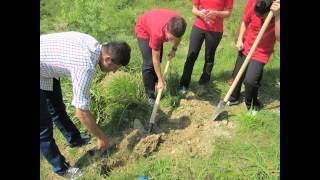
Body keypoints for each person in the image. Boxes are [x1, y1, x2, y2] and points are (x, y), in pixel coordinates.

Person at [40, 31, 131, 178]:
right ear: (107, 59)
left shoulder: (93, 44)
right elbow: (81, 111)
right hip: (42, 64)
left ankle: (74, 139)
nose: (114, 72)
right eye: (115, 67)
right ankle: (61, 169)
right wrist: (101, 137)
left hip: (45, 66)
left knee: (57, 108)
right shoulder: (85, 65)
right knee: (43, 128)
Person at [227, 0, 280, 115]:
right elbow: (245, 22)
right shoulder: (254, 6)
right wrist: (240, 39)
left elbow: (279, 37)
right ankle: (233, 97)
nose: (258, 17)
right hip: (247, 46)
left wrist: (277, 17)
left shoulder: (276, 14)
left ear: (268, 12)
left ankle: (252, 104)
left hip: (262, 52)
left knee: (250, 81)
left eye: (261, 16)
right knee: (236, 75)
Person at [179, 0, 233, 94]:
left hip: (215, 30)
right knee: (191, 55)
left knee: (209, 57)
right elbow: (194, 9)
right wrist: (200, 13)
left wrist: (216, 13)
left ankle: (204, 82)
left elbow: (228, 13)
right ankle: (184, 84)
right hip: (199, 27)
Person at [135, 8, 187, 106]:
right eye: (170, 38)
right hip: (143, 30)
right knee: (149, 63)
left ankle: (156, 84)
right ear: (167, 28)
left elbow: (179, 38)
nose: (170, 40)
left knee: (160, 58)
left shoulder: (180, 24)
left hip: (155, 21)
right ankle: (150, 95)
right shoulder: (157, 33)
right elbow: (155, 59)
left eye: (173, 39)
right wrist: (161, 79)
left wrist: (174, 49)